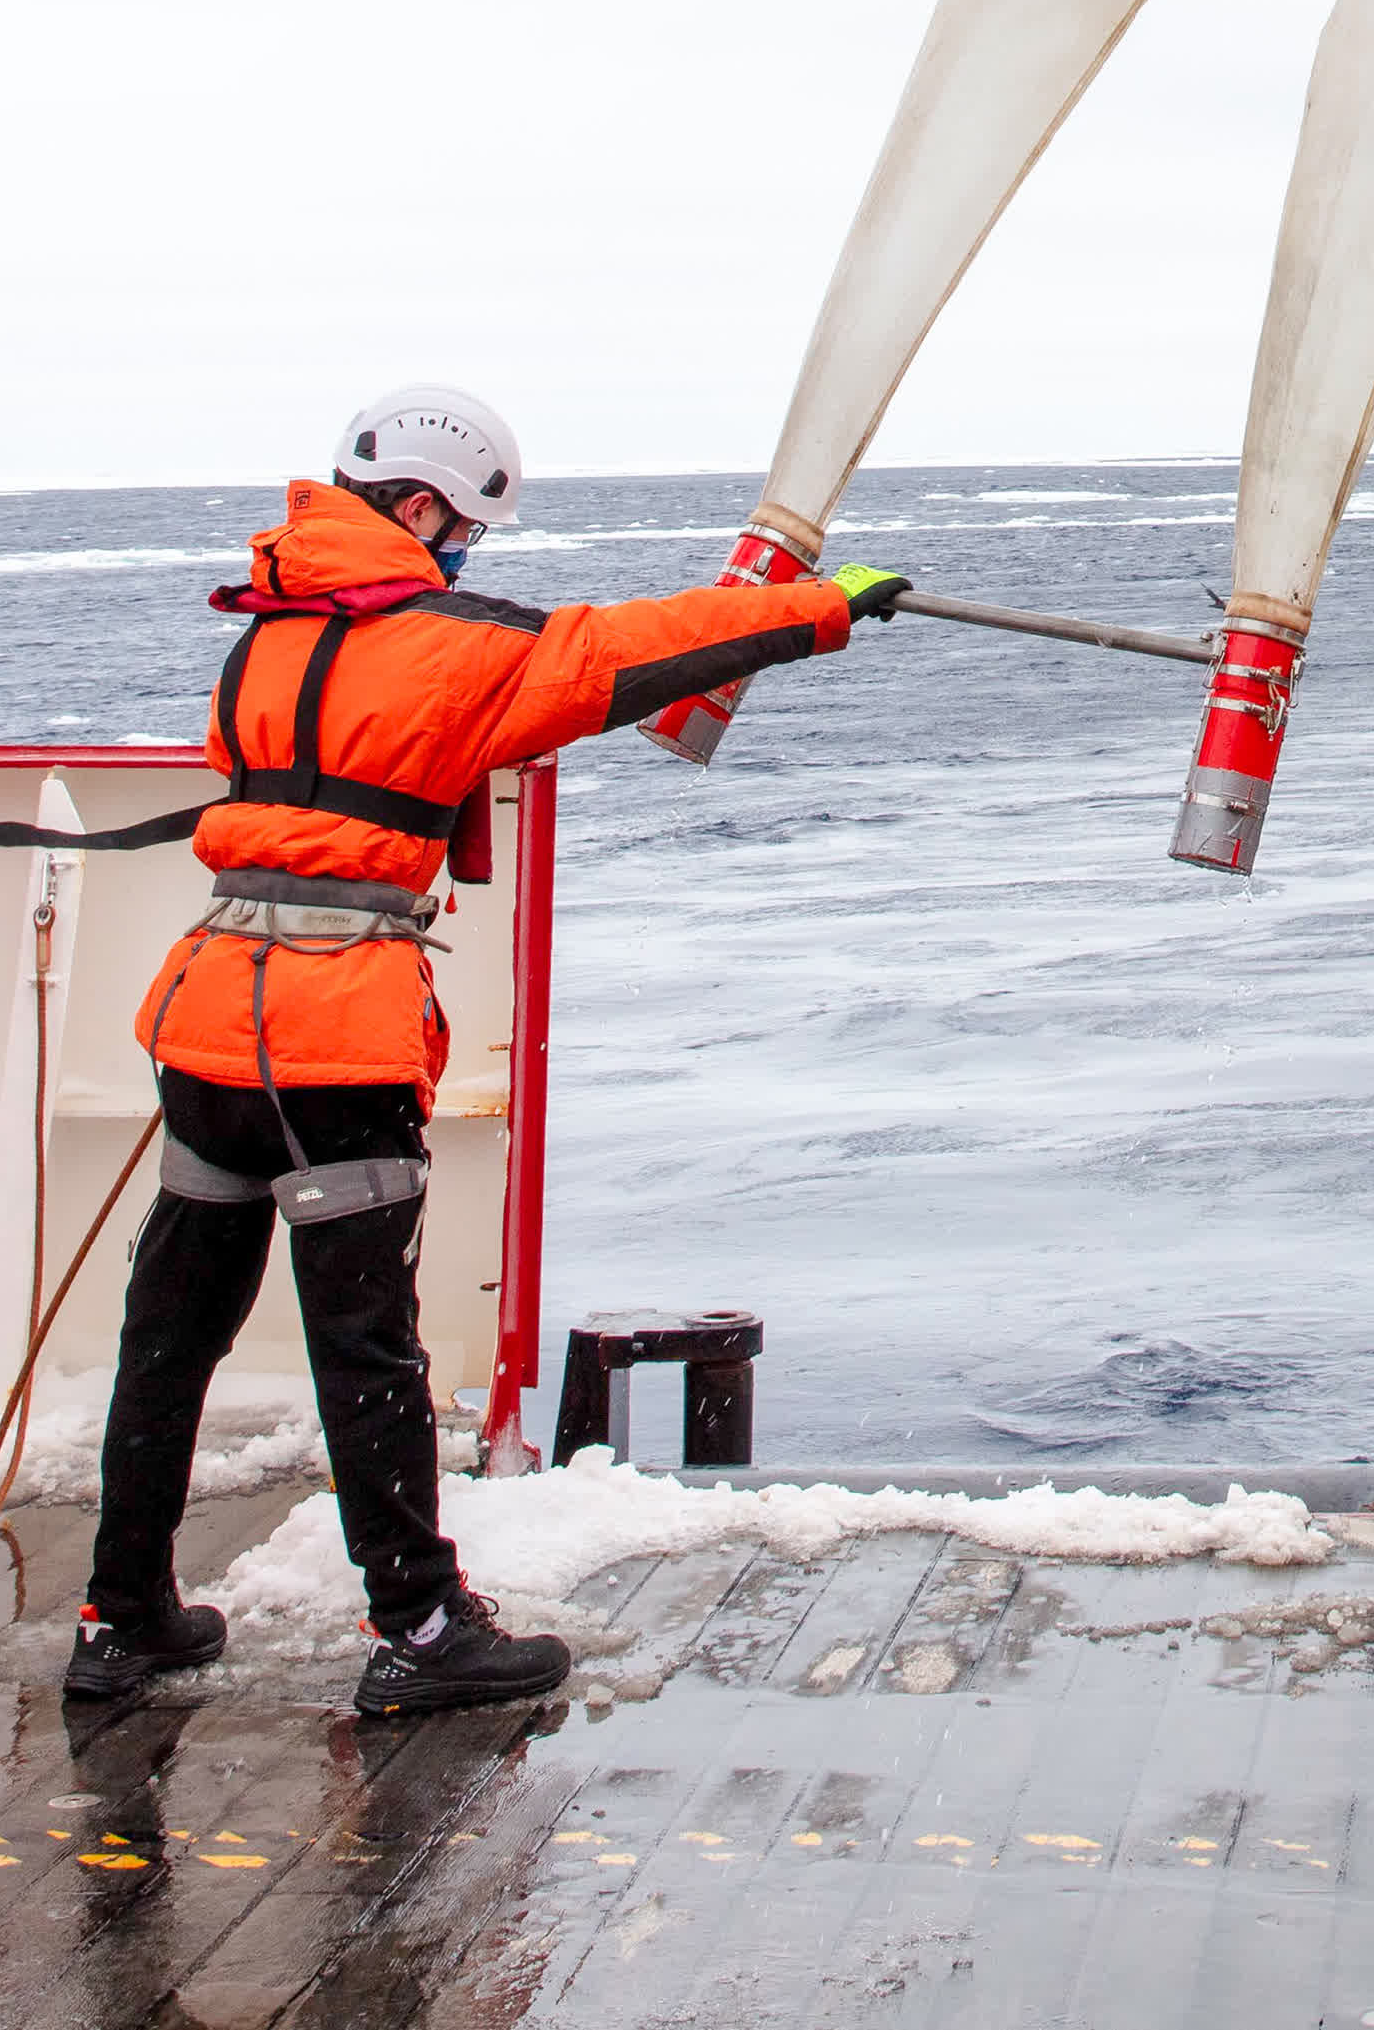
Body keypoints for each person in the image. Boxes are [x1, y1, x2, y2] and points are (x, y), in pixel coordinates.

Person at [67, 386, 908, 1714]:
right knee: (368, 1350)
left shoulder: (261, 641)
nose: (463, 554)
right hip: (337, 1039)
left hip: (209, 1018)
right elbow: (630, 649)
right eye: (461, 530)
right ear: (419, 508)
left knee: (170, 1336)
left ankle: (123, 1620)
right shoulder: (455, 644)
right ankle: (418, 1628)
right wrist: (824, 606)